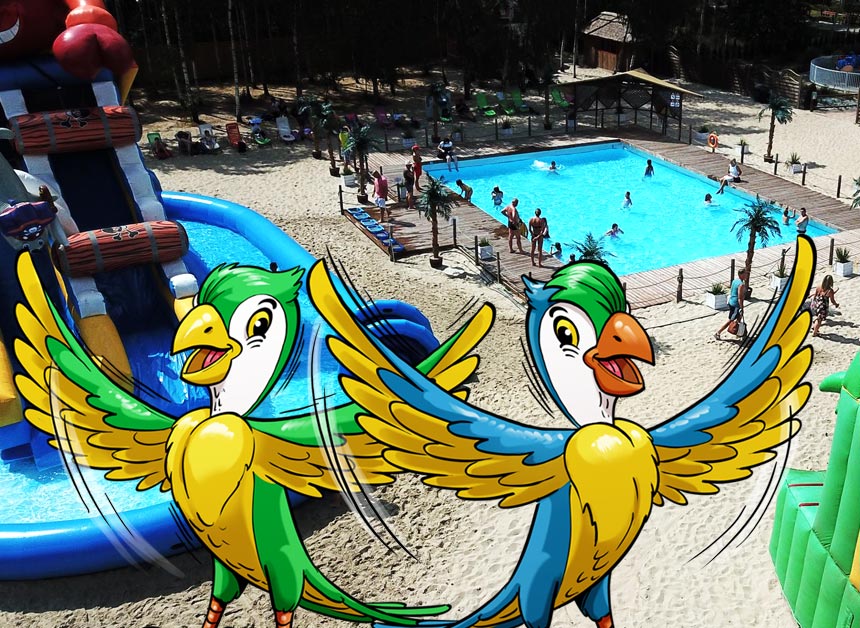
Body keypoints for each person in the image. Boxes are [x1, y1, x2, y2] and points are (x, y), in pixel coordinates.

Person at [715, 268, 747, 340]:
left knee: (739, 317)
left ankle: (739, 333)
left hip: (731, 301)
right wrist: (742, 308)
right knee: (731, 320)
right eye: (745, 274)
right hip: (736, 304)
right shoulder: (741, 284)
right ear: (741, 275)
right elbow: (740, 298)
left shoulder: (735, 281)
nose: (746, 275)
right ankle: (718, 332)